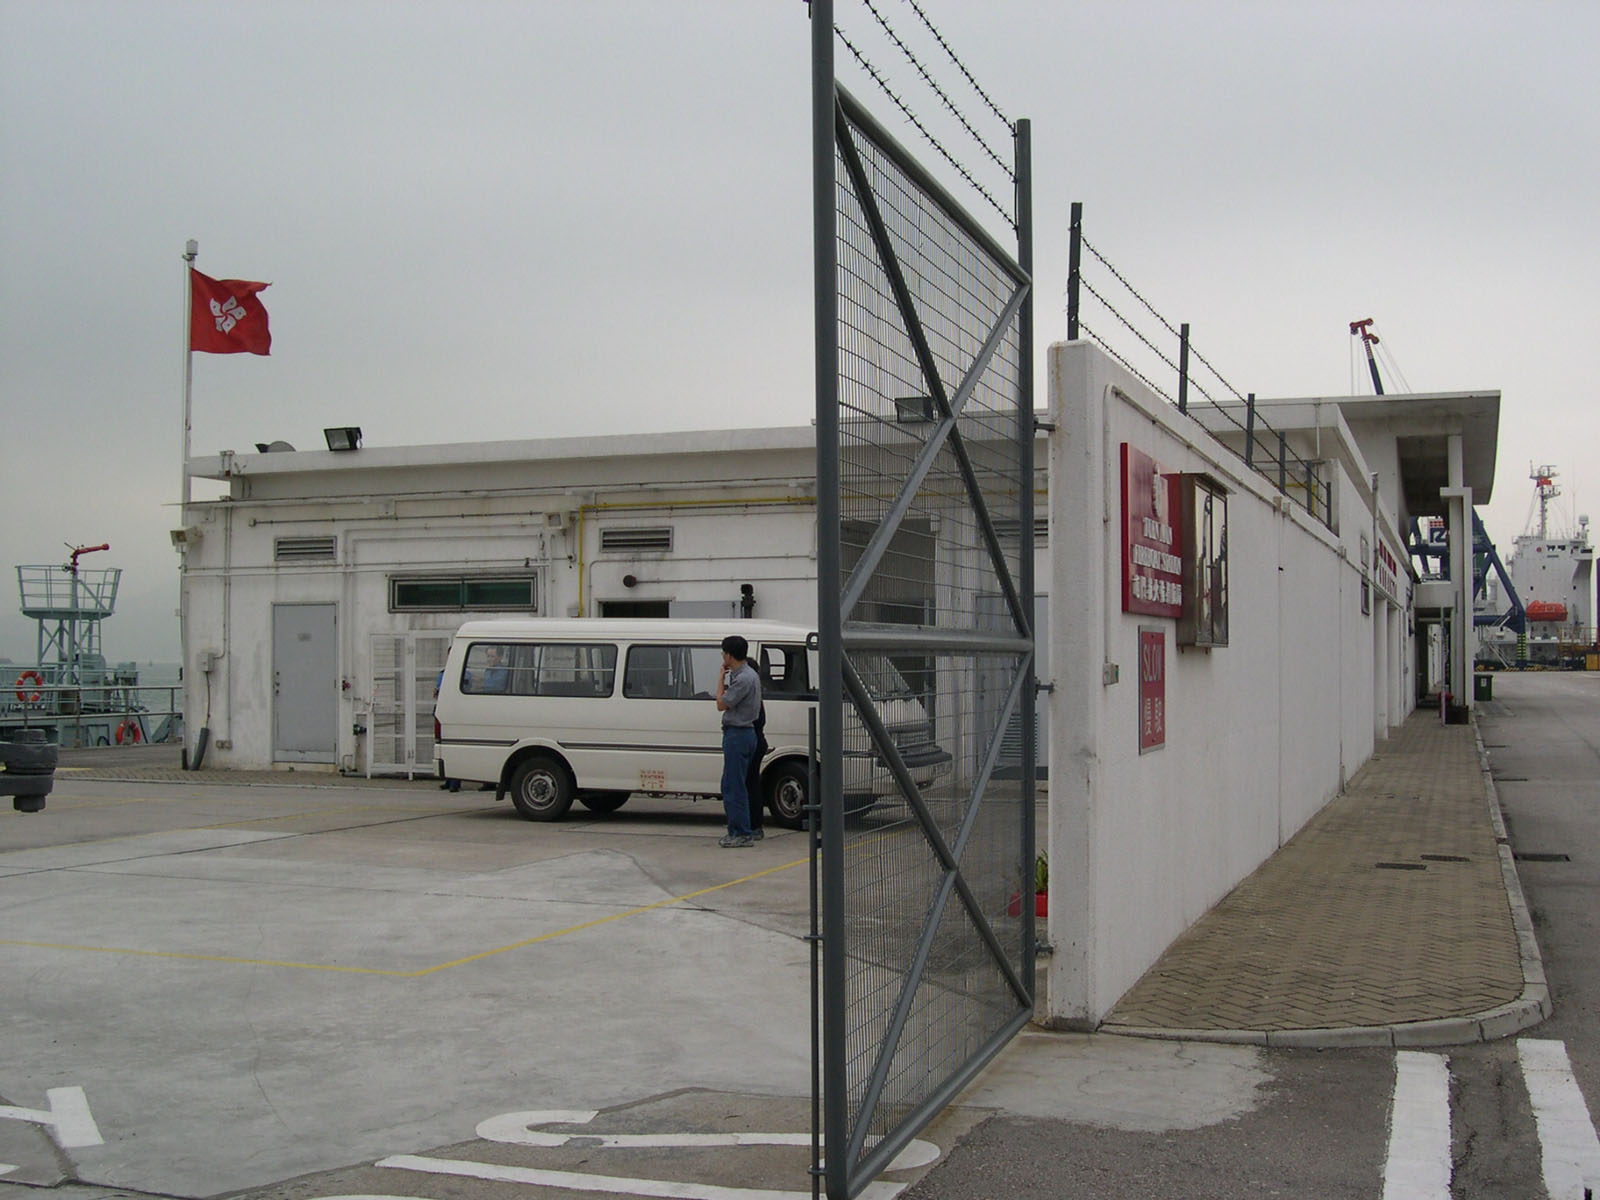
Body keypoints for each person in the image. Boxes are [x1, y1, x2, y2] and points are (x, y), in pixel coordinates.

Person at [714, 634, 761, 847]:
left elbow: (722, 704)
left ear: (729, 655)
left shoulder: (743, 678)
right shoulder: (746, 674)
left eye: (724, 653)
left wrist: (719, 680)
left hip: (738, 734)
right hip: (743, 733)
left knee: (735, 785)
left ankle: (742, 832)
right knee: (731, 783)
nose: (723, 656)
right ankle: (737, 830)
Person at [435, 668, 460, 792]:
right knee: (446, 748)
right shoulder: (443, 674)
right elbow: (437, 692)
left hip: (456, 713)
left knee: (455, 749)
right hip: (444, 712)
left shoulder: (463, 672)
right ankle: (449, 780)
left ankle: (455, 782)